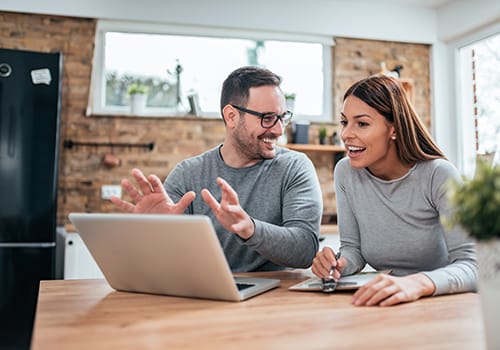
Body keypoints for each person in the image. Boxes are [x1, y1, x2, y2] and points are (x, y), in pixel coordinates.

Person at [111, 66, 323, 272]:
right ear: (231, 116)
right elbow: (165, 262)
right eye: (267, 118)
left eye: (282, 117)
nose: (278, 130)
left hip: (273, 300)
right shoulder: (188, 174)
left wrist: (249, 228)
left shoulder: (294, 167)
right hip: (204, 294)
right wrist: (153, 233)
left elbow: (305, 250)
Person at [312, 74, 477, 306]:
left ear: (394, 129)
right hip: (388, 302)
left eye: (362, 123)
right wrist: (337, 265)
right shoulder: (346, 172)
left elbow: (474, 266)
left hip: (443, 304)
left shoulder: (438, 175)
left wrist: (416, 283)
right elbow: (353, 251)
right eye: (344, 122)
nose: (346, 134)